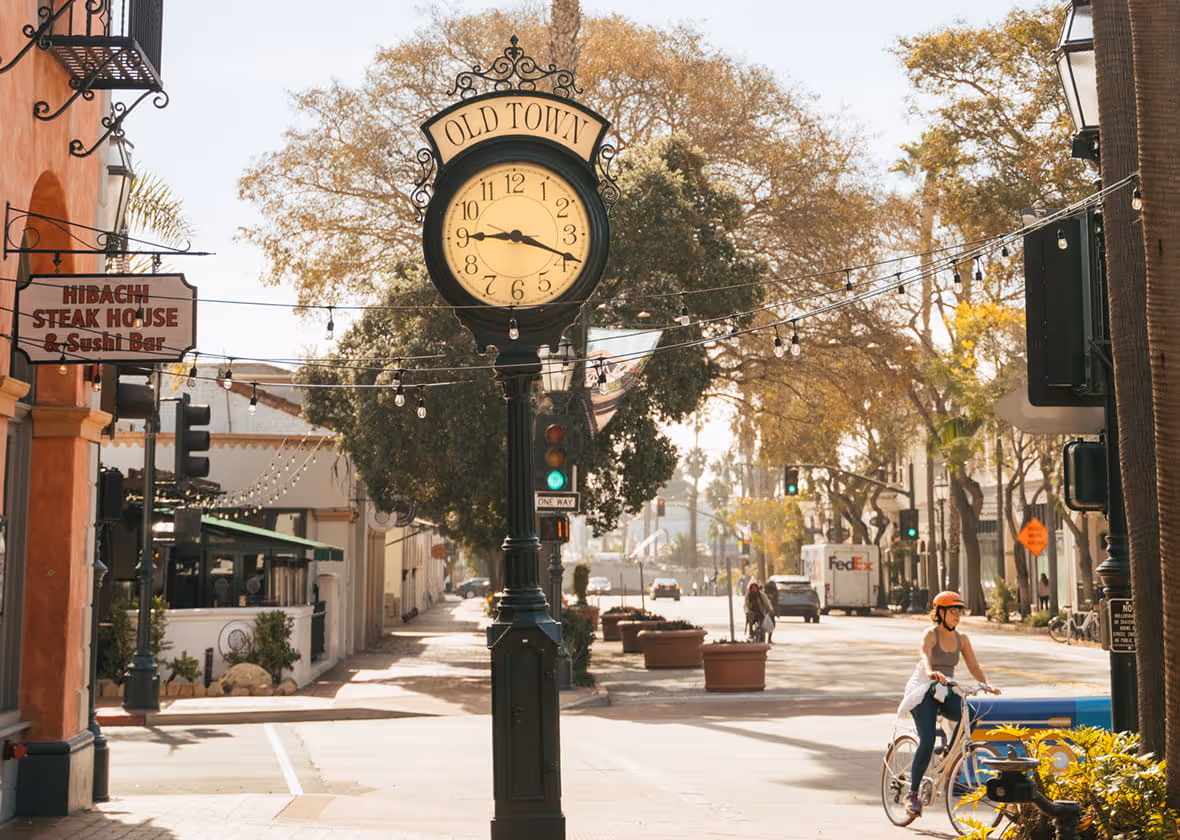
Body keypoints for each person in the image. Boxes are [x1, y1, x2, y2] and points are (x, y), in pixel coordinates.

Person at [895, 590, 1000, 818]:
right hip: (924, 689)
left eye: (959, 611)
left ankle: (948, 755)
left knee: (970, 716)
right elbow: (924, 656)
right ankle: (912, 794)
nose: (957, 615)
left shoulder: (962, 639)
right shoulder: (930, 634)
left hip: (945, 689)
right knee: (928, 739)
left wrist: (987, 684)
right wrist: (931, 672)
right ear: (940, 613)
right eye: (952, 610)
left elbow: (974, 667)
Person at [744, 580, 775, 644]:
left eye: (755, 588)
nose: (754, 589)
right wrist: (747, 611)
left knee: (764, 624)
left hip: (761, 612)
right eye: (752, 588)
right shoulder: (748, 596)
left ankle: (766, 638)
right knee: (750, 620)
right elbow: (745, 605)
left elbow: (767, 603)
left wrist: (770, 609)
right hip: (752, 613)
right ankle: (751, 633)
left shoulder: (761, 595)